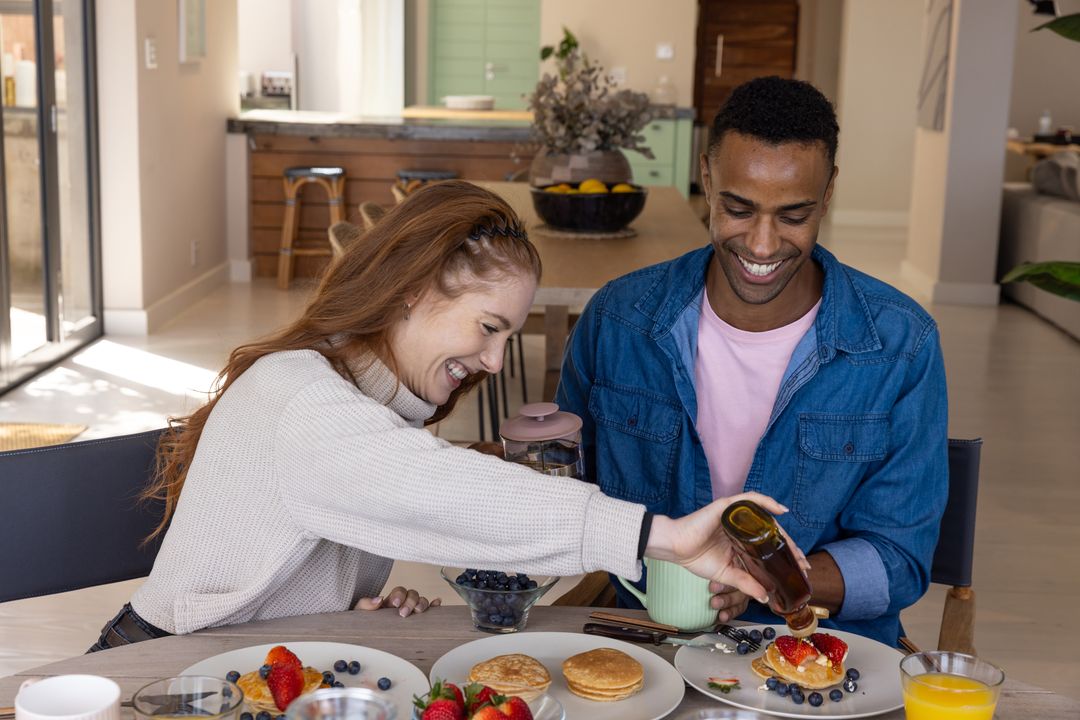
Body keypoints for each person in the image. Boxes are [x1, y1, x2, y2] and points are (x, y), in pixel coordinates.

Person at [89, 180, 798, 651]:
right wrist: (661, 536)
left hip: (250, 657)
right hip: (156, 674)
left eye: (507, 338)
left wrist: (332, 607)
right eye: (487, 327)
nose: (494, 362)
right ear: (411, 292)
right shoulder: (301, 398)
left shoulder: (363, 399)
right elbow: (434, 490)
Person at [556, 77, 948, 648]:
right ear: (707, 179)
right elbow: (566, 500)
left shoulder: (900, 344)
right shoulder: (618, 320)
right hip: (655, 646)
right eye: (738, 209)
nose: (763, 246)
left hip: (821, 654)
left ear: (829, 191)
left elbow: (899, 559)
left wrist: (769, 580)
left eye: (793, 216)